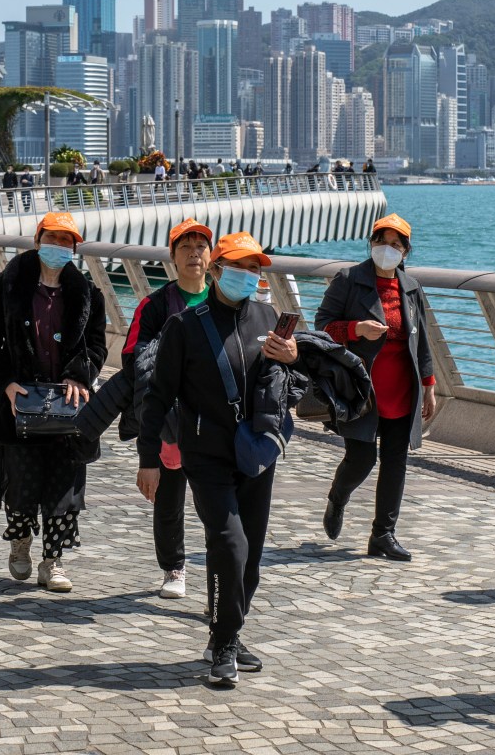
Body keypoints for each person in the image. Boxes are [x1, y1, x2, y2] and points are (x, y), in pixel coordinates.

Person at [140, 232, 300, 687]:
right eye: (238, 267)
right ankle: (224, 643)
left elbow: (279, 379)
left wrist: (292, 354)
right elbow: (156, 398)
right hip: (206, 455)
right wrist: (149, 458)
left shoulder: (268, 316)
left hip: (256, 453)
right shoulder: (185, 327)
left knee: (250, 556)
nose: (247, 276)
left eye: (254, 269)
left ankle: (225, 631)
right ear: (215, 270)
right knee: (229, 545)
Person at [0, 212, 107, 594]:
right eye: (53, 239)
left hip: (67, 404)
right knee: (21, 481)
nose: (59, 247)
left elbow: (97, 344)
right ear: (37, 241)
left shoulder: (87, 294)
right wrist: (6, 385)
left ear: (75, 249)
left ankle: (54, 561)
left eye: (67, 242)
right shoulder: (10, 285)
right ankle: (20, 543)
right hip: (20, 404)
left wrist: (80, 375)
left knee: (65, 484)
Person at [313, 213, 436, 562]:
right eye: (381, 241)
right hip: (361, 390)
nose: (387, 249)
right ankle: (338, 497)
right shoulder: (349, 279)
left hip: (402, 388)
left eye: (396, 245)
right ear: (371, 244)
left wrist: (429, 384)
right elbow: (323, 326)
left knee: (395, 461)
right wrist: (355, 330)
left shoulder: (411, 287)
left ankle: (383, 534)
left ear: (406, 252)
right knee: (362, 458)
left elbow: (422, 339)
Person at [121, 219, 215, 600]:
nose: (194, 253)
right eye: (185, 247)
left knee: (217, 500)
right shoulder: (155, 305)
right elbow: (132, 356)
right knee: (169, 496)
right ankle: (173, 568)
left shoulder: (221, 299)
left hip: (214, 421)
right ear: (173, 257)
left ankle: (218, 567)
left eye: (201, 246)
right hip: (171, 420)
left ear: (212, 256)